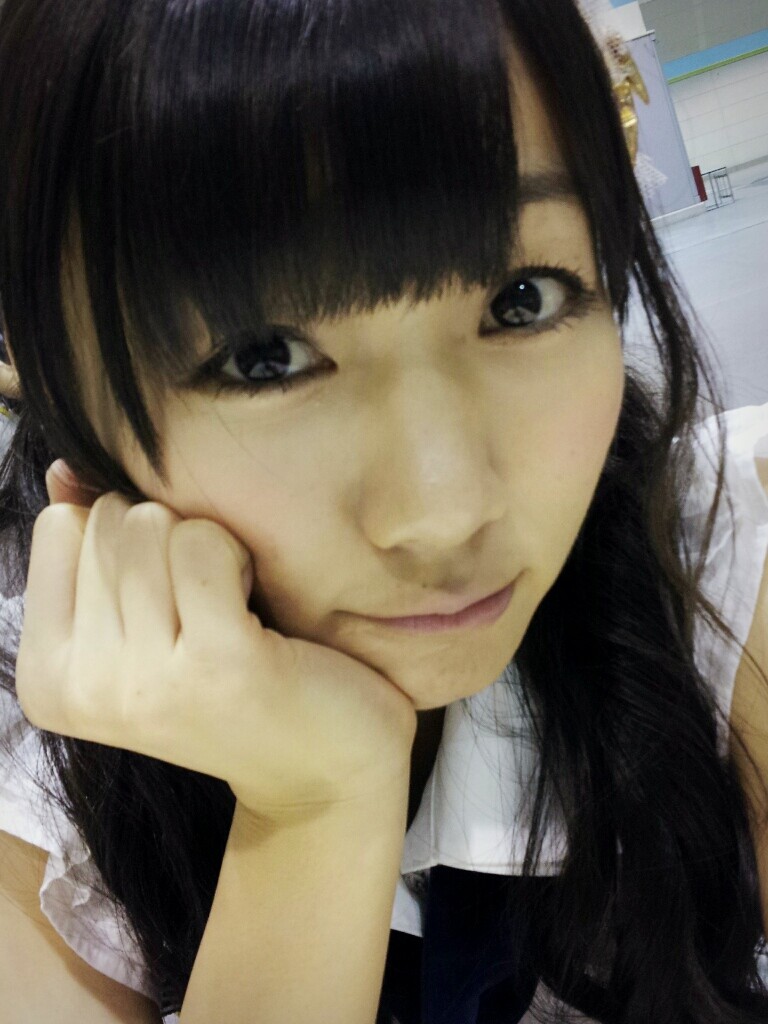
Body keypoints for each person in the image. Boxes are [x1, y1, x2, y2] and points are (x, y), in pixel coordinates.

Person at [0, 0, 766, 1021]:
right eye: (264, 358)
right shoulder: (45, 772)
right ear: (53, 381)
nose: (444, 511)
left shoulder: (723, 562)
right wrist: (313, 808)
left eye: (525, 299)